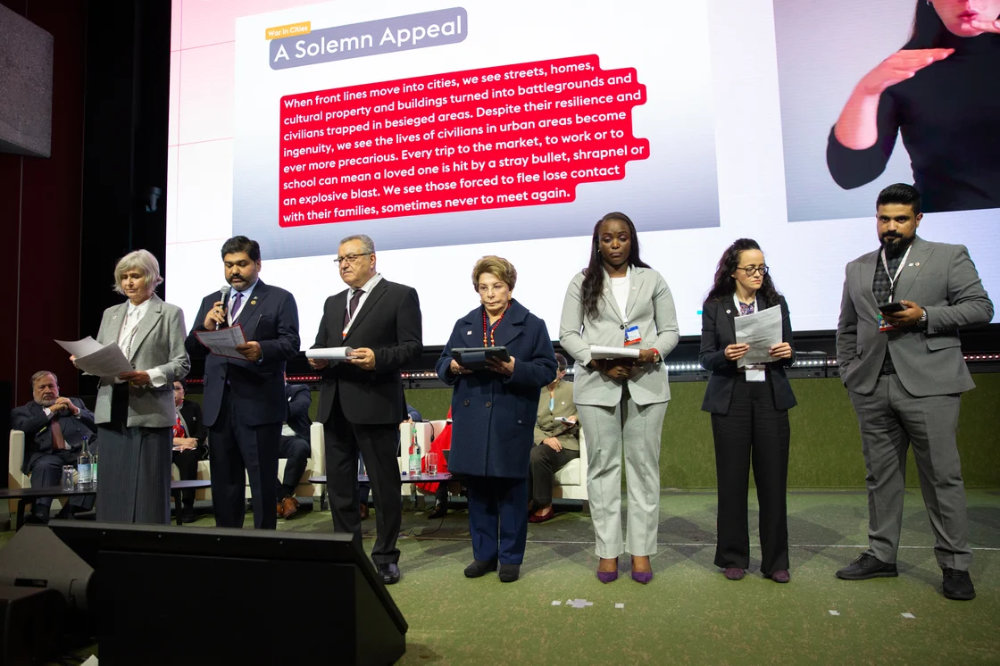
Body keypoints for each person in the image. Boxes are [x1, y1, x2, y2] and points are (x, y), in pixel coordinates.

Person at [835, 183, 993, 601]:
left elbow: (980, 307)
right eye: (884, 218)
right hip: (872, 385)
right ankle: (882, 555)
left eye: (900, 219)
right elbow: (848, 327)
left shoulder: (948, 255)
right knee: (880, 477)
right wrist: (851, 372)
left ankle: (955, 564)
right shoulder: (857, 266)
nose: (891, 226)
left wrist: (926, 316)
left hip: (931, 385)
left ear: (918, 219)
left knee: (942, 477)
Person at [559, 212, 679, 584]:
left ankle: (640, 552)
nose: (615, 244)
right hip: (598, 384)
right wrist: (598, 362)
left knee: (644, 470)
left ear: (632, 241)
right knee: (603, 469)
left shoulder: (653, 279)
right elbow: (567, 333)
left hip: (647, 382)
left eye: (622, 238)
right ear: (598, 242)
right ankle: (607, 552)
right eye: (608, 238)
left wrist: (650, 353)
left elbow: (671, 330)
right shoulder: (582, 281)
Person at [309, 234, 422, 585]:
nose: (344, 264)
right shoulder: (332, 302)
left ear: (372, 259)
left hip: (376, 403)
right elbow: (322, 343)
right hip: (335, 405)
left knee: (383, 485)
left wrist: (377, 359)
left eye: (352, 257)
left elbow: (412, 348)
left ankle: (386, 557)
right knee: (340, 488)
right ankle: (349, 552)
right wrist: (315, 356)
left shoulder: (400, 295)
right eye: (339, 259)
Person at [436, 256, 556, 583]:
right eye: (483, 287)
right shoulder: (465, 324)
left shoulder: (532, 324)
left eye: (497, 287)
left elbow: (547, 370)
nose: (490, 294)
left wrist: (515, 367)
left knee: (512, 493)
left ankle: (510, 558)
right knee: (479, 493)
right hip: (472, 421)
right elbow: (442, 363)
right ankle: (484, 555)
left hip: (510, 418)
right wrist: (454, 367)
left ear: (510, 287)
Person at [827, 0, 1000, 212]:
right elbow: (851, 174)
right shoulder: (903, 70)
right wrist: (866, 92)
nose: (968, 1)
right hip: (949, 230)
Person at [186, 235, 300, 530]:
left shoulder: (279, 298)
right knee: (224, 483)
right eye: (228, 265)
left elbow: (290, 343)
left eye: (241, 264)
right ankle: (228, 543)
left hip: (258, 404)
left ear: (257, 264)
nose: (234, 271)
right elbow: (191, 350)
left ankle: (264, 546)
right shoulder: (211, 301)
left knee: (262, 484)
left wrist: (261, 349)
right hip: (219, 406)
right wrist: (205, 327)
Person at [699, 239, 796, 583]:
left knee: (773, 481)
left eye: (761, 268)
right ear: (733, 271)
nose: (757, 274)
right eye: (750, 268)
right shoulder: (715, 306)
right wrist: (725, 354)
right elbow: (706, 356)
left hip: (769, 394)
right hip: (732, 396)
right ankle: (733, 556)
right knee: (732, 481)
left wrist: (787, 351)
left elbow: (790, 349)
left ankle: (776, 561)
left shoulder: (775, 303)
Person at [91, 249, 190, 524]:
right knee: (112, 487)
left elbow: (181, 364)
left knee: (149, 489)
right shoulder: (110, 314)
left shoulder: (169, 313)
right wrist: (85, 360)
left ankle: (150, 545)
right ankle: (111, 542)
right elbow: (100, 355)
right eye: (124, 277)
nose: (129, 282)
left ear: (152, 278)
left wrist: (149, 375)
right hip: (112, 405)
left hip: (149, 407)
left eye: (135, 276)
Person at [10, 371, 98, 523]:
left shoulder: (75, 403)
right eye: (41, 387)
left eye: (51, 386)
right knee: (45, 466)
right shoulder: (23, 411)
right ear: (33, 391)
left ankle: (73, 510)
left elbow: (98, 423)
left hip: (78, 453)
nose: (47, 390)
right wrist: (50, 411)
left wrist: (76, 411)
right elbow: (24, 427)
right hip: (47, 455)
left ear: (58, 388)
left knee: (95, 460)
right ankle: (40, 513)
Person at [528, 353, 580, 523]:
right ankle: (523, 502)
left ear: (562, 373)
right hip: (543, 441)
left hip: (566, 443)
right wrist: (543, 439)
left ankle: (544, 505)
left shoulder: (573, 389)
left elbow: (586, 410)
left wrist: (576, 418)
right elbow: (530, 421)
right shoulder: (536, 391)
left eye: (553, 369)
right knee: (525, 453)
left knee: (538, 455)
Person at [171, 379, 207, 523]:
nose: (172, 391)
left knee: (188, 457)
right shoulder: (160, 409)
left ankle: (188, 506)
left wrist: (192, 442)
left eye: (176, 388)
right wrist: (178, 441)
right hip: (167, 448)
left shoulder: (193, 407)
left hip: (188, 449)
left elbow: (201, 432)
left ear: (183, 392)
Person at [276, 381, 312, 520]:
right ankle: (285, 498)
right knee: (256, 453)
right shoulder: (260, 392)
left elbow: (300, 407)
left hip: (294, 438)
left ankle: (283, 496)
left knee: (300, 447)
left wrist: (270, 411)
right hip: (271, 438)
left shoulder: (299, 389)